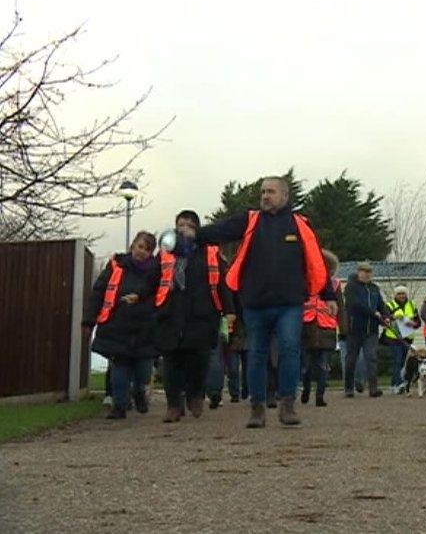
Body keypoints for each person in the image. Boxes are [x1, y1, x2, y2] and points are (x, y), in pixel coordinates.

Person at [194, 176, 334, 428]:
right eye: (262, 192)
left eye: (270, 191)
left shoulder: (300, 225)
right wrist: (193, 235)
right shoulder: (250, 220)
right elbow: (218, 231)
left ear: (284, 196)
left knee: (290, 351)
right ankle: (257, 408)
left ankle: (287, 406)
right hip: (255, 303)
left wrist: (329, 295)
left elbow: (315, 261)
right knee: (257, 354)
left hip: (289, 303)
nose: (265, 196)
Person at [154, 210, 235, 423]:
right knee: (171, 361)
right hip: (171, 312)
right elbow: (152, 279)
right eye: (181, 224)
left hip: (201, 312)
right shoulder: (166, 251)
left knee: (198, 359)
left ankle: (195, 396)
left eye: (190, 224)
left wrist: (229, 310)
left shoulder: (209, 251)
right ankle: (173, 404)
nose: (185, 228)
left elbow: (222, 283)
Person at [83, 231, 159, 420]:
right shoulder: (116, 265)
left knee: (143, 370)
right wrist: (89, 320)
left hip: (146, 328)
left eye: (147, 249)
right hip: (117, 325)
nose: (142, 252)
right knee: (120, 367)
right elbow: (98, 292)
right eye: (140, 246)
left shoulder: (156, 272)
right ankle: (119, 405)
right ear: (133, 245)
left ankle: (139, 391)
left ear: (151, 253)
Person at [301, 249, 343, 407]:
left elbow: (341, 308)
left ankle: (320, 395)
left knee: (323, 365)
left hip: (327, 329)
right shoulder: (303, 281)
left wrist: (344, 330)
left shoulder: (334, 284)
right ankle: (306, 389)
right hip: (307, 327)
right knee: (305, 365)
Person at [343, 262, 389, 398]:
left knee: (371, 357)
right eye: (364, 271)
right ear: (358, 272)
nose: (367, 274)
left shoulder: (375, 288)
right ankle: (349, 388)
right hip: (355, 329)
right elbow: (355, 304)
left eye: (369, 272)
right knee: (351, 359)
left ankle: (373, 388)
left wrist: (385, 316)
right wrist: (373, 313)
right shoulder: (351, 287)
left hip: (372, 330)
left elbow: (381, 305)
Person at [381, 286, 421, 394]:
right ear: (395, 295)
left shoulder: (412, 305)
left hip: (407, 338)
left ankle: (400, 383)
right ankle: (396, 384)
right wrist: (394, 317)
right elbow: (385, 319)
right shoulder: (389, 305)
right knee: (397, 361)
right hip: (394, 337)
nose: (401, 296)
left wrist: (412, 323)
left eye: (403, 293)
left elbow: (418, 323)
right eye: (399, 294)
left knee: (404, 362)